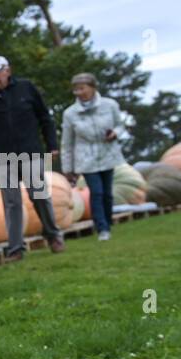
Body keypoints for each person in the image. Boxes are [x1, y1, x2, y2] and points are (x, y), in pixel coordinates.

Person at [0, 55, 64, 258]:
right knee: (11, 202)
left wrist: (52, 145)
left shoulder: (26, 88)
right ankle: (15, 249)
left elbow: (45, 118)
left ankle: (54, 236)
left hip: (30, 152)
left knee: (38, 195)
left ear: (7, 71)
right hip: (3, 158)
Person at [60, 73, 126, 242]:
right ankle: (102, 228)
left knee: (107, 194)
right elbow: (67, 143)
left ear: (92, 87)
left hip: (107, 154)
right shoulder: (70, 114)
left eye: (82, 88)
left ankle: (108, 222)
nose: (79, 92)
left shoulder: (110, 105)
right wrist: (68, 168)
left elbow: (120, 125)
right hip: (85, 158)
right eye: (76, 89)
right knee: (96, 193)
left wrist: (115, 133)